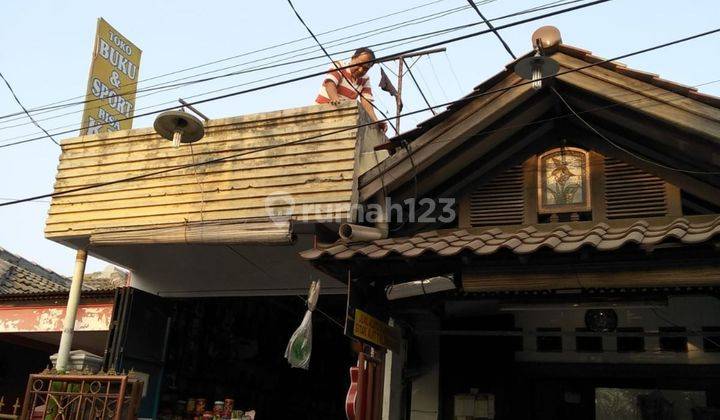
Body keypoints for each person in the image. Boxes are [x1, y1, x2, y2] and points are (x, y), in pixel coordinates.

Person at [315, 47, 388, 132]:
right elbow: (330, 83)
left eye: (365, 69)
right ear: (353, 58)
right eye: (359, 65)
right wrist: (335, 99)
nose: (361, 70)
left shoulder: (365, 79)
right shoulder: (339, 65)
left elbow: (366, 102)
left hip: (342, 119)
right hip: (322, 113)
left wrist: (376, 121)